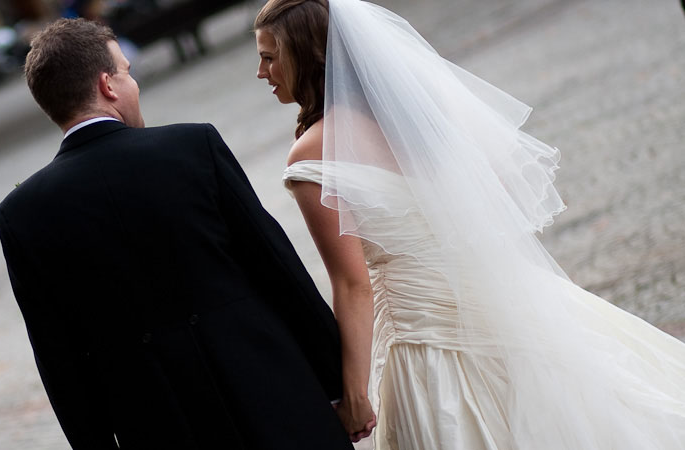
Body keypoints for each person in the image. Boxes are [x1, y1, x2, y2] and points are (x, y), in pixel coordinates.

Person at [254, 0, 685, 448]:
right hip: (502, 303)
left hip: (421, 336)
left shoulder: (311, 155)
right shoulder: (415, 117)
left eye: (269, 57)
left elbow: (352, 284)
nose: (262, 72)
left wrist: (355, 394)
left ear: (309, 56)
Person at [0, 19, 352, 449]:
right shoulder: (193, 147)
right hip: (272, 391)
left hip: (157, 424)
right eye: (127, 72)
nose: (134, 84)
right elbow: (277, 267)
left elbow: (58, 357)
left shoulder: (22, 213)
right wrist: (339, 383)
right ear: (107, 85)